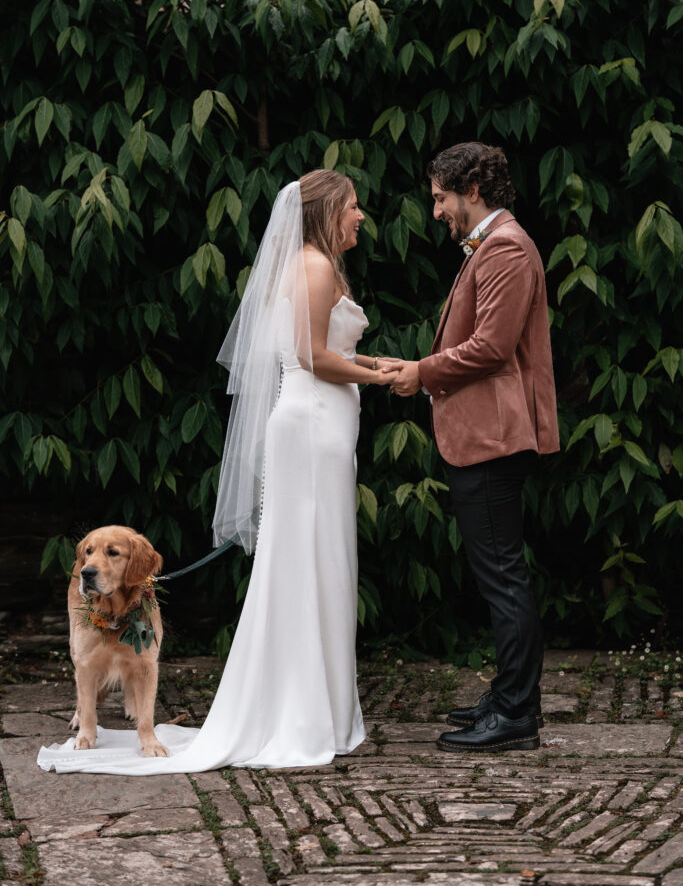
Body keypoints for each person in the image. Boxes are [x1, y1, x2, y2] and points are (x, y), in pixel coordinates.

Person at [38, 170, 396, 774]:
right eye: (354, 206)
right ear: (327, 210)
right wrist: (379, 378)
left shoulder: (311, 265)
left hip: (318, 426)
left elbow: (311, 348)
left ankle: (316, 710)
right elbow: (308, 357)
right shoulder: (314, 265)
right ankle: (301, 715)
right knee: (308, 563)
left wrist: (369, 361)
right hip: (310, 428)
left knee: (320, 561)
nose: (361, 216)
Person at [385, 142, 559, 754]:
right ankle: (511, 698)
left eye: (440, 197)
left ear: (473, 191)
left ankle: (515, 714)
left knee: (503, 576)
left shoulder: (506, 246)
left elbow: (491, 346)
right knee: (499, 573)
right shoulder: (495, 243)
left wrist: (422, 372)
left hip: (493, 436)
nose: (435, 211)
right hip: (485, 434)